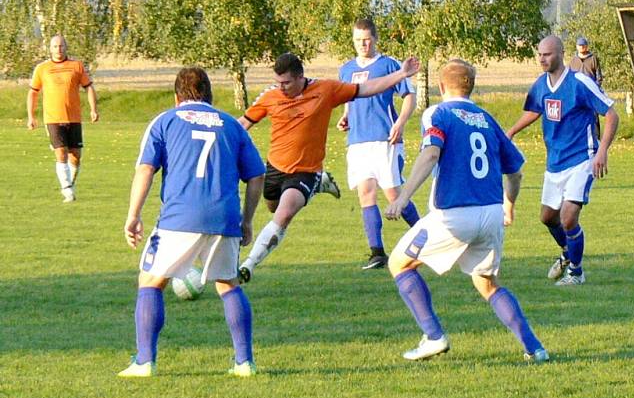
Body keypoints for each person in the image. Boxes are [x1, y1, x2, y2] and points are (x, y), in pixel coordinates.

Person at [385, 59, 548, 363]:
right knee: (486, 282)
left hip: (454, 215)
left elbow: (431, 152)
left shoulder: (438, 112)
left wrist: (403, 196)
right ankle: (534, 348)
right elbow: (516, 173)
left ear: (442, 87)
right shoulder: (487, 118)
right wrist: (508, 208)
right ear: (471, 87)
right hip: (491, 214)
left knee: (399, 264)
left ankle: (433, 337)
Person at [119, 67, 266, 377]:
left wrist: (133, 215)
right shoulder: (231, 125)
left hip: (179, 217)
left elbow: (146, 169)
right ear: (210, 95)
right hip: (224, 217)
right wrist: (248, 220)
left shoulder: (165, 121)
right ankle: (244, 363)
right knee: (228, 285)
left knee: (150, 281)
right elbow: (256, 175)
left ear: (177, 97)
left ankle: (145, 362)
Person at [238, 52, 420, 283]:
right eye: (278, 82)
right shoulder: (270, 96)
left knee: (283, 214)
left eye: (286, 83)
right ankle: (321, 184)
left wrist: (401, 74)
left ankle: (248, 265)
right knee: (273, 207)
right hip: (276, 168)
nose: (281, 88)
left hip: (305, 170)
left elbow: (366, 88)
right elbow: (242, 124)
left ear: (300, 77)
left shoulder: (325, 90)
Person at [506, 35, 619, 286]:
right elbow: (535, 109)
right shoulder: (541, 85)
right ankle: (568, 252)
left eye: (547, 54)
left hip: (582, 157)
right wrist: (512, 131)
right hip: (554, 161)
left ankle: (576, 273)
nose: (542, 59)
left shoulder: (579, 82)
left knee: (569, 217)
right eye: (539, 54)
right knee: (547, 217)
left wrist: (602, 151)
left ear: (559, 53)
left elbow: (611, 114)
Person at [337, 18, 421, 269]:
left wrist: (400, 123)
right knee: (366, 193)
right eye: (357, 40)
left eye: (366, 39)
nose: (362, 44)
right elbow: (348, 98)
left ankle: (427, 238)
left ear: (375, 39)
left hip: (386, 139)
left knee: (394, 194)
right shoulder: (346, 69)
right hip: (358, 142)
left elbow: (409, 96)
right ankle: (377, 252)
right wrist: (345, 116)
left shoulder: (389, 65)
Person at [27, 34, 99, 202]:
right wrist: (31, 116)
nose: (58, 49)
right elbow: (32, 92)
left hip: (74, 118)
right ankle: (67, 189)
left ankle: (70, 184)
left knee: (75, 156)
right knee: (61, 153)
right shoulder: (42, 69)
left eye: (61, 46)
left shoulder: (76, 66)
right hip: (52, 118)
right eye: (55, 46)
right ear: (50, 49)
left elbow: (88, 87)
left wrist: (93, 109)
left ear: (66, 48)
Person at [568, 36, 603, 136]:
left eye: (583, 45)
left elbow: (599, 76)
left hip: (591, 92)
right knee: (577, 115)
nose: (582, 47)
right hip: (577, 93)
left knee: (594, 115)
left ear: (587, 46)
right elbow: (569, 76)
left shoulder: (593, 59)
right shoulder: (573, 60)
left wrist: (596, 88)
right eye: (580, 45)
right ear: (577, 47)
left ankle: (596, 138)